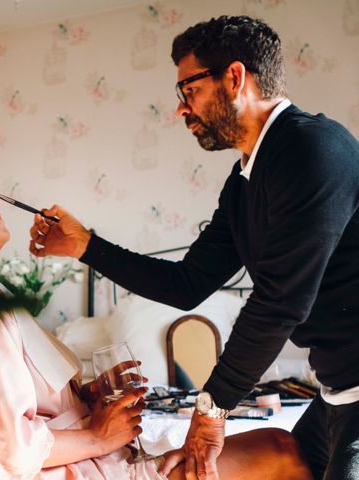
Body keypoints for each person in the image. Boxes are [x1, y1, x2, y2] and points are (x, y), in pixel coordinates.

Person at [29, 15, 359, 480]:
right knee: (284, 459)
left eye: (189, 89)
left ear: (235, 77)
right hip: (335, 392)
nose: (182, 108)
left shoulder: (313, 149)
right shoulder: (244, 182)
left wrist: (211, 409)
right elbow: (187, 284)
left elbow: (279, 302)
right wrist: (87, 247)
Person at [0, 152, 312, 479]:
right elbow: (4, 444)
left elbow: (26, 404)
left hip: (102, 456)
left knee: (283, 444)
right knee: (281, 447)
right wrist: (99, 435)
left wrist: (87, 394)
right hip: (87, 467)